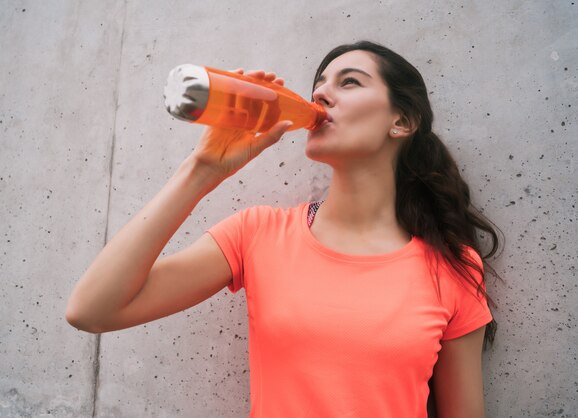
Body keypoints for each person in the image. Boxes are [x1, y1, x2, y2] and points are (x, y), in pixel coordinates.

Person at [66, 40, 500, 417]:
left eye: (349, 82)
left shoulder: (452, 266)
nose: (321, 93)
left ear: (402, 122)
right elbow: (92, 310)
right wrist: (200, 171)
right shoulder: (257, 234)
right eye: (321, 83)